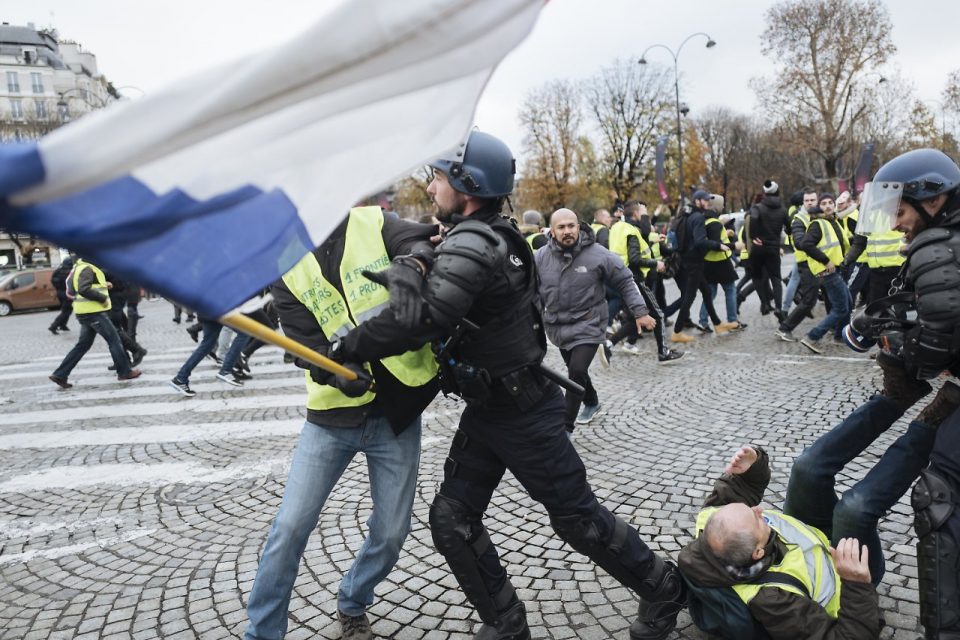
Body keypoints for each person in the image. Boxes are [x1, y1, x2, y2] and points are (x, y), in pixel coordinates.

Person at [337, 131, 688, 640]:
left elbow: (428, 317)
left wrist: (347, 347)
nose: (432, 187)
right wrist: (409, 266)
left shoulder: (478, 240)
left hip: (525, 412)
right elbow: (434, 264)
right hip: (491, 408)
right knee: (452, 518)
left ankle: (664, 589)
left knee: (578, 521)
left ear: (466, 183)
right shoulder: (481, 233)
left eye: (438, 177)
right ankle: (506, 622)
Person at [243, 206, 440, 640]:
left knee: (391, 533)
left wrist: (411, 265)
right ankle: (261, 633)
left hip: (396, 410)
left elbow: (420, 240)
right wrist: (333, 373)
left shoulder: (374, 221)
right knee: (290, 527)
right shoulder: (285, 265)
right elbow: (302, 344)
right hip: (331, 414)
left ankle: (353, 599)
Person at [851, 147, 960, 639]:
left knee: (940, 496)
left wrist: (896, 337)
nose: (894, 224)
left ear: (932, 200)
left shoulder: (935, 245)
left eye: (899, 211)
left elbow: (936, 349)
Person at [535, 208, 656, 432]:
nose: (567, 231)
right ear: (552, 231)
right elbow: (528, 290)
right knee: (575, 371)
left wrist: (640, 312)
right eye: (561, 227)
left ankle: (565, 429)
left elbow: (625, 281)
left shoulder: (597, 253)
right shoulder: (540, 257)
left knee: (577, 371)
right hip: (557, 327)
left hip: (589, 323)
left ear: (578, 227)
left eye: (571, 226)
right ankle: (591, 401)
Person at [606, 200, 684, 363]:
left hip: (620, 278)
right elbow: (634, 259)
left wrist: (651, 242)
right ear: (635, 214)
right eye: (643, 212)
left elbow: (630, 251)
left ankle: (608, 344)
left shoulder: (617, 228)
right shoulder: (631, 231)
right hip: (634, 280)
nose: (645, 215)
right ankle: (663, 352)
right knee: (658, 314)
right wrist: (656, 263)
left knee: (635, 320)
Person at [48, 258, 142, 388]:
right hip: (94, 312)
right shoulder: (88, 268)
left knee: (82, 345)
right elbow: (83, 288)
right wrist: (102, 298)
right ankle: (125, 372)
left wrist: (104, 285)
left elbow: (71, 289)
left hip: (84, 312)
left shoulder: (78, 267)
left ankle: (60, 374)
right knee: (114, 340)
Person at [671, 190, 737, 343]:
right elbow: (700, 241)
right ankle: (677, 331)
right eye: (705, 200)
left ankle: (717, 324)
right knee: (689, 296)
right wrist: (719, 245)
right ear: (698, 201)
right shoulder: (698, 217)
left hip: (687, 259)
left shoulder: (685, 215)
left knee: (707, 292)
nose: (708, 203)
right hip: (695, 261)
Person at [792, 197, 850, 354]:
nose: (828, 206)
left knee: (848, 302)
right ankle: (812, 336)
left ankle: (840, 336)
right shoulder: (818, 224)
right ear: (819, 208)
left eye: (830, 203)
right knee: (840, 308)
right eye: (823, 204)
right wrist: (826, 261)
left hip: (836, 269)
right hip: (828, 271)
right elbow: (805, 244)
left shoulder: (833, 221)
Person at [698, 199, 744, 331]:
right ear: (717, 207)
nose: (723, 207)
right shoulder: (715, 224)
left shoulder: (705, 221)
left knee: (710, 293)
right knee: (730, 290)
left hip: (708, 263)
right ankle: (732, 321)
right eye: (722, 205)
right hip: (721, 262)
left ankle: (703, 321)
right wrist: (735, 246)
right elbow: (717, 245)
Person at [747, 180, 790, 318]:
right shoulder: (783, 209)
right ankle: (778, 307)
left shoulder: (757, 207)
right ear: (777, 192)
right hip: (773, 248)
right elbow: (789, 228)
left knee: (757, 277)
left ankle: (765, 302)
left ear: (765, 193)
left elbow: (753, 219)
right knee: (776, 278)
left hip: (758, 248)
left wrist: (754, 236)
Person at [783, 188, 818, 315]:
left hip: (806, 253)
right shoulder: (798, 215)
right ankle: (787, 312)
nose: (809, 203)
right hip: (803, 253)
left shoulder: (795, 211)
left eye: (812, 200)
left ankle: (786, 310)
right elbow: (792, 231)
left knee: (795, 278)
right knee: (796, 279)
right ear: (802, 202)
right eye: (807, 200)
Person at [48, 255, 74, 334]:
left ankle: (63, 325)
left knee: (67, 310)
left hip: (60, 292)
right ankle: (53, 326)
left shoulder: (58, 271)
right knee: (66, 311)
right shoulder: (70, 272)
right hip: (67, 293)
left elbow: (52, 280)